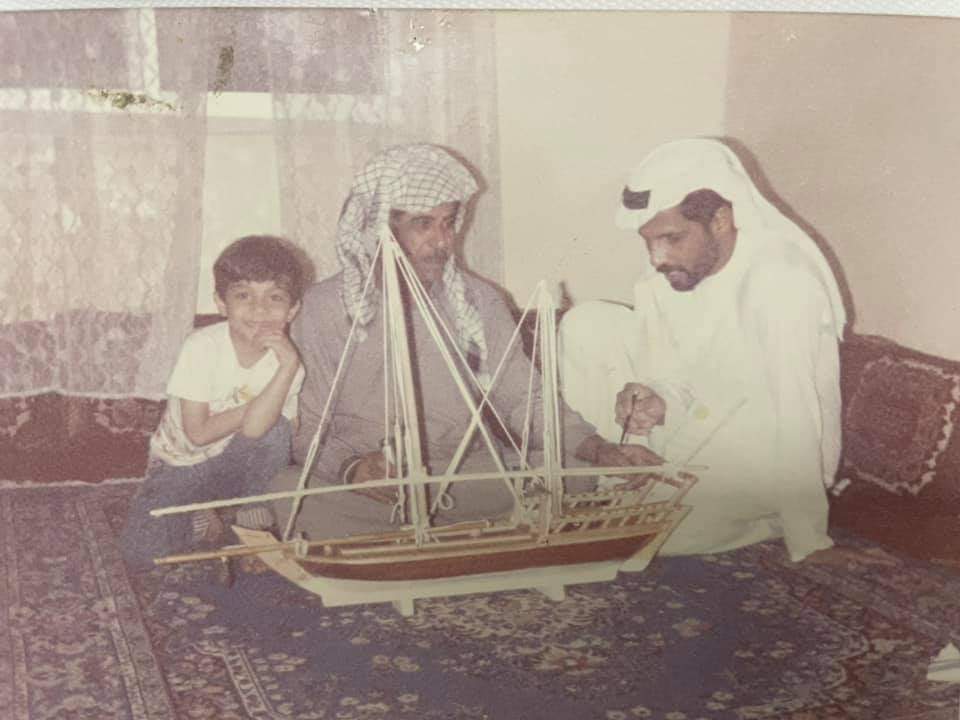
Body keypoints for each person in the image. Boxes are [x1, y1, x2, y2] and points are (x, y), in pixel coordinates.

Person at [266, 143, 654, 538]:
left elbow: (525, 400)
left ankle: (423, 536)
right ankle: (470, 534)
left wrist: (600, 449)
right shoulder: (322, 308)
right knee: (288, 492)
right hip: (370, 482)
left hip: (461, 474)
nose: (441, 241)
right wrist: (352, 468)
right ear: (379, 228)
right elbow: (307, 426)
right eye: (423, 224)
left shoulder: (478, 302)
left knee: (574, 474)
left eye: (448, 223)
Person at [560, 137, 864, 565]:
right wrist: (654, 399)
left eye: (672, 238)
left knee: (638, 537)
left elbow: (795, 411)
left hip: (765, 447)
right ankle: (618, 477)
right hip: (698, 420)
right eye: (649, 241)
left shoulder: (783, 281)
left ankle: (769, 519)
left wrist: (807, 538)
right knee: (586, 321)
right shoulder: (670, 270)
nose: (658, 257)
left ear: (721, 220)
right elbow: (672, 370)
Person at [121, 235, 306, 570]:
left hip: (237, 464)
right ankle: (202, 516)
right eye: (243, 295)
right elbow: (198, 434)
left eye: (275, 297)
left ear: (292, 309)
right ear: (221, 303)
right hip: (180, 465)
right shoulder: (202, 347)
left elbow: (263, 433)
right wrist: (259, 404)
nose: (260, 309)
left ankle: (253, 526)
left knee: (276, 429)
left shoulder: (289, 363)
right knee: (143, 554)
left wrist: (288, 367)